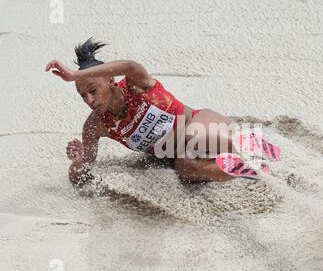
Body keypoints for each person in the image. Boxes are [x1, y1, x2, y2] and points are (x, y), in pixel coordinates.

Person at [45, 37, 275, 185]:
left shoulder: (136, 84)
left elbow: (129, 65)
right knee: (185, 168)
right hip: (177, 154)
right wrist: (77, 163)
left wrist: (76, 75)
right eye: (83, 95)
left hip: (199, 123)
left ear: (110, 79)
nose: (90, 100)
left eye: (93, 90)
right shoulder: (97, 125)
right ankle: (242, 169)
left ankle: (245, 145)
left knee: (195, 136)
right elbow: (82, 176)